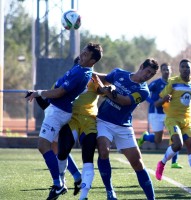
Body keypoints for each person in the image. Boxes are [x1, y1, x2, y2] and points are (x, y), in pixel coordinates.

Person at [26, 42, 103, 200]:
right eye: (83, 51)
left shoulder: (82, 74)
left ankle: (58, 184)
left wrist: (39, 92)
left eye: (86, 54)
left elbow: (60, 92)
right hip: (58, 109)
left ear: (92, 61)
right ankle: (75, 177)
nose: (82, 55)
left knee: (43, 145)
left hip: (58, 111)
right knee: (56, 147)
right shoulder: (80, 67)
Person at [93, 58, 159, 200]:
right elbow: (102, 78)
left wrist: (109, 91)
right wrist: (88, 71)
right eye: (148, 71)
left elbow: (124, 101)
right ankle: (110, 192)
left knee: (137, 162)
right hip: (103, 121)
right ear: (141, 66)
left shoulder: (143, 91)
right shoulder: (118, 73)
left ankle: (151, 198)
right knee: (104, 151)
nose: (148, 76)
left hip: (123, 126)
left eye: (151, 75)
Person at [155, 59, 191, 186]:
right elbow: (158, 102)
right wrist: (164, 100)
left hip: (187, 120)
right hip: (172, 119)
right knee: (178, 145)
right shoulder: (173, 82)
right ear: (179, 69)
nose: (185, 69)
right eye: (183, 67)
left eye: (187, 67)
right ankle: (162, 163)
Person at [56, 73, 108, 200]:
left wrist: (110, 88)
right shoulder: (68, 77)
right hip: (71, 119)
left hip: (89, 122)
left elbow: (104, 89)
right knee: (62, 152)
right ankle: (61, 181)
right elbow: (55, 92)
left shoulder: (94, 78)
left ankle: (83, 196)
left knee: (88, 158)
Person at [137, 63, 183, 169]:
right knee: (158, 140)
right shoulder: (156, 83)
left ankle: (174, 162)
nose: (166, 71)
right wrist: (153, 102)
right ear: (161, 71)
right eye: (164, 69)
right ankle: (145, 137)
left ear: (171, 71)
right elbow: (145, 92)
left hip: (170, 114)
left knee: (175, 136)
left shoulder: (174, 83)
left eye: (168, 69)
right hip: (156, 113)